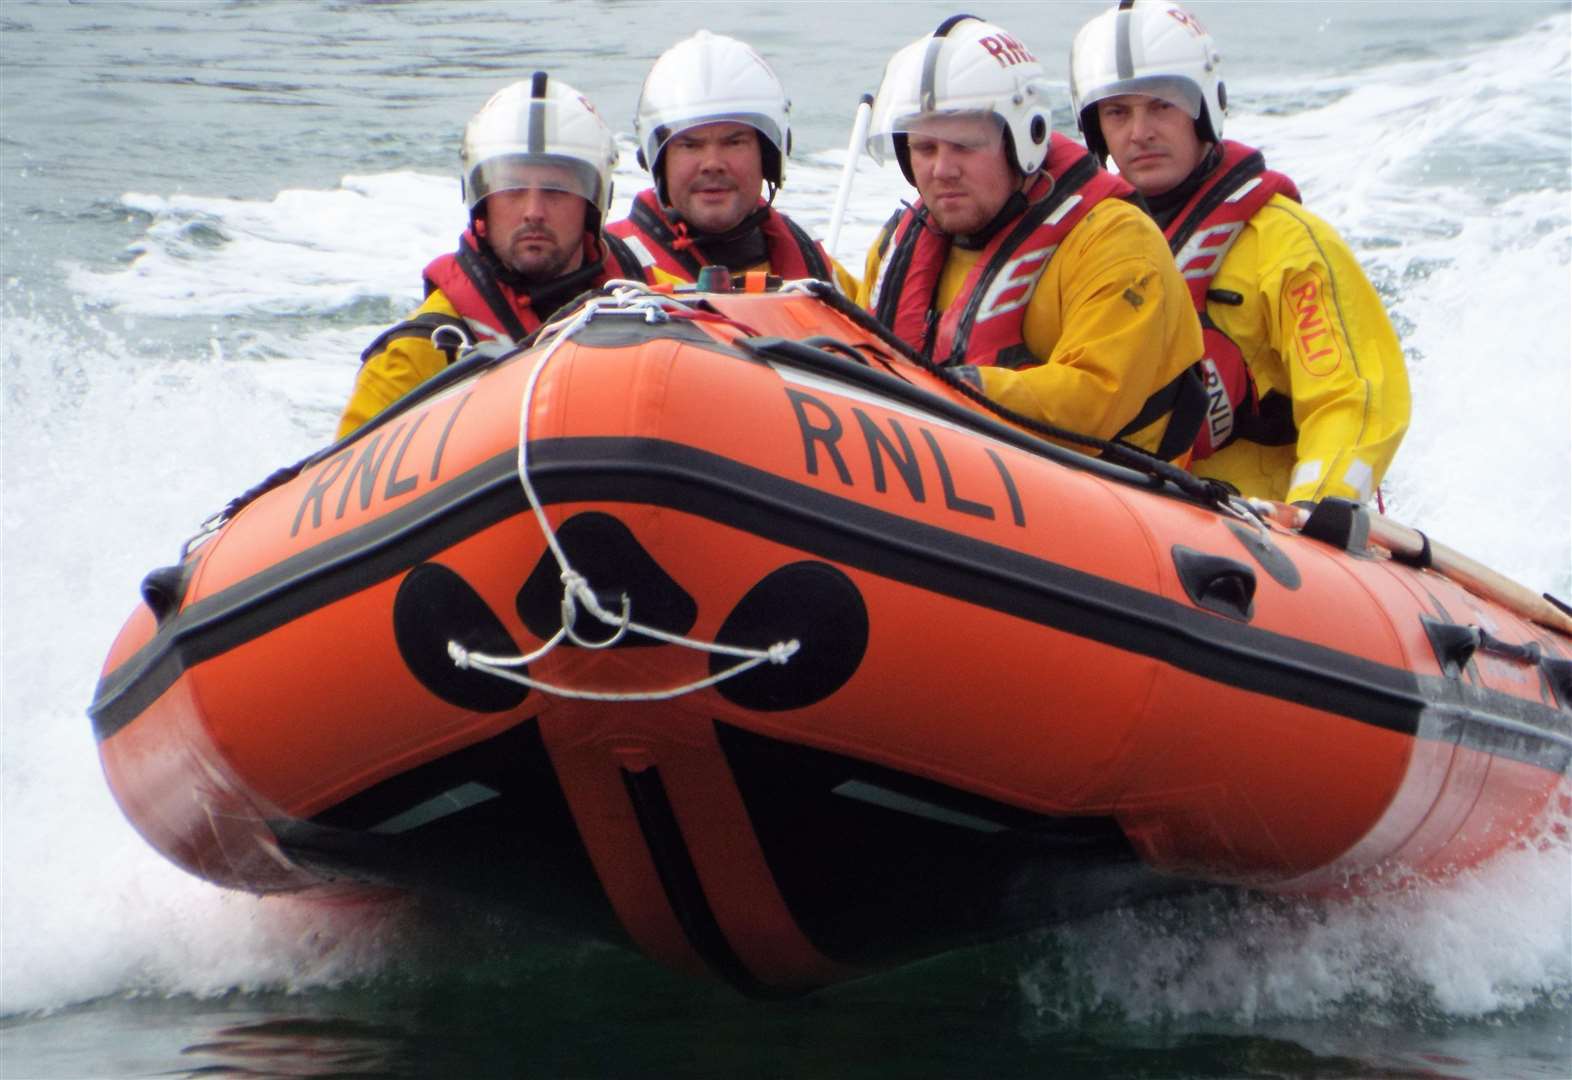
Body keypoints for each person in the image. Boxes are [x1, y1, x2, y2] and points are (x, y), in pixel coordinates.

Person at [1070, 0, 1411, 505]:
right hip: (1123, 511)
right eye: (1118, 113)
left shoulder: (1287, 245)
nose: (1138, 132)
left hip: (1258, 530)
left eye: (1162, 104)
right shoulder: (1087, 245)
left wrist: (1320, 504)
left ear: (1203, 108)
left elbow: (1354, 397)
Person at [857, 15, 1206, 462]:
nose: (942, 170)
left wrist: (940, 387)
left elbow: (1092, 399)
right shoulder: (895, 248)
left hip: (1101, 501)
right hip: (939, 470)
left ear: (1022, 139)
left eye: (963, 145)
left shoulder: (1117, 242)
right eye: (925, 149)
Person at [336, 73, 644, 439]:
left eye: (556, 189)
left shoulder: (656, 299)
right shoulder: (418, 356)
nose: (533, 210)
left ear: (593, 203)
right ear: (482, 201)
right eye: (511, 187)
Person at [609, 30, 858, 295]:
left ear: (768, 155)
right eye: (690, 145)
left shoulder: (817, 269)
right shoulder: (610, 277)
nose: (712, 163)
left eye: (734, 142)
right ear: (658, 162)